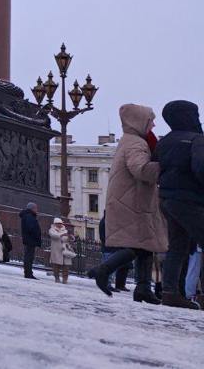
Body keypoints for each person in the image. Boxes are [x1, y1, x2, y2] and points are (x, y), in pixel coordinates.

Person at [87, 104, 168, 304]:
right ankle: (104, 270)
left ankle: (143, 288)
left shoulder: (130, 141)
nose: (154, 124)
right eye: (151, 121)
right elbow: (140, 169)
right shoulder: (136, 144)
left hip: (131, 200)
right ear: (140, 122)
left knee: (145, 245)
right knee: (138, 245)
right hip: (132, 202)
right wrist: (165, 166)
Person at [155, 100, 204, 309]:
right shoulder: (197, 140)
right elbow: (201, 169)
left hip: (166, 199)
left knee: (177, 246)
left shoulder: (164, 142)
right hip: (190, 200)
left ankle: (170, 292)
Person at [19, 202, 43, 279]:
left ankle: (28, 273)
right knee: (29, 257)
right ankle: (28, 273)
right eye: (36, 208)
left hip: (29, 239)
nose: (37, 210)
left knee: (29, 257)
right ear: (32, 208)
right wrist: (36, 235)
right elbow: (31, 228)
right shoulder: (29, 216)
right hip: (30, 239)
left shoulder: (28, 215)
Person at [48, 218, 74, 283]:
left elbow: (72, 239)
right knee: (56, 265)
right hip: (56, 250)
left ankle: (65, 279)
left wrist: (70, 237)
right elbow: (54, 236)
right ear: (55, 223)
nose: (60, 225)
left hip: (65, 250)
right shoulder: (52, 230)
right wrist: (62, 235)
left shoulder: (65, 230)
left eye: (60, 223)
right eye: (58, 223)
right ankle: (57, 278)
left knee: (66, 266)